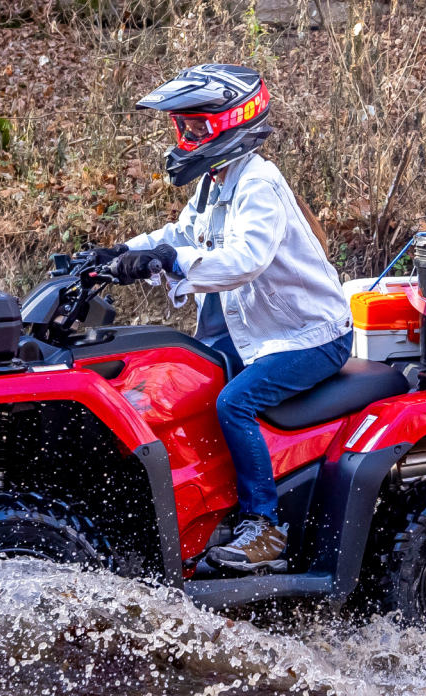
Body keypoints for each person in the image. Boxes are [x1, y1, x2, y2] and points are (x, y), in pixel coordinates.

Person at [92, 65, 353, 575]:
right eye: (183, 128)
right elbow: (182, 231)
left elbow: (244, 260)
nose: (186, 137)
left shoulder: (259, 183)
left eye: (195, 128)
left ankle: (264, 527)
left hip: (312, 335)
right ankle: (208, 504)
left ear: (230, 122)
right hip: (258, 332)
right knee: (181, 381)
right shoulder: (217, 181)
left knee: (234, 402)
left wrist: (171, 260)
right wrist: (123, 253)